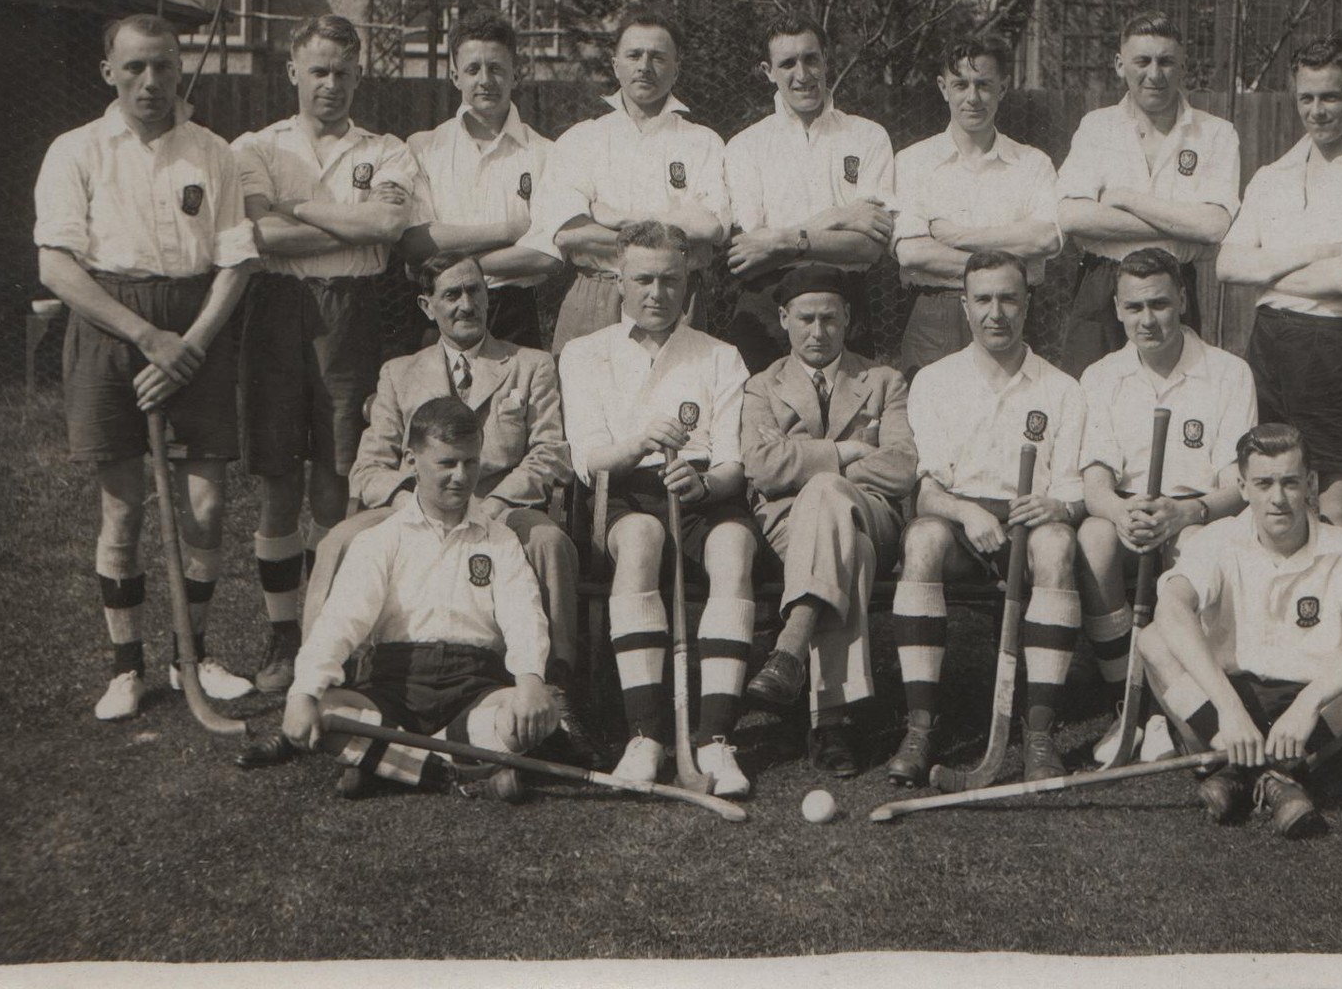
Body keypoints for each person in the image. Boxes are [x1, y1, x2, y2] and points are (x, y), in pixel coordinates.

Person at [34, 14, 259, 718]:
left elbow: (237, 260)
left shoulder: (214, 153)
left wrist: (186, 343)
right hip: (109, 324)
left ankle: (195, 652)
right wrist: (144, 335)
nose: (150, 82)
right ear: (109, 71)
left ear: (180, 69)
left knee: (206, 505)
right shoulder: (75, 151)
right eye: (134, 67)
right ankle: (125, 668)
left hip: (198, 326)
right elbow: (57, 266)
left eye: (163, 66)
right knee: (123, 509)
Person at [298, 252, 587, 753]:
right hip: (415, 501)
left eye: (475, 291)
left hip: (502, 501)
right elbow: (369, 467)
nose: (466, 303)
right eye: (451, 294)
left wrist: (496, 500)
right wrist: (419, 502)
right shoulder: (400, 372)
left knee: (548, 540)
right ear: (426, 305)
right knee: (339, 539)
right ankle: (318, 686)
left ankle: (553, 694)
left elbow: (550, 452)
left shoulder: (528, 364)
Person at [232, 14, 426, 691]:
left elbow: (387, 223)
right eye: (319, 71)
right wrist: (339, 217)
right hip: (279, 311)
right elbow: (261, 235)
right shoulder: (256, 147)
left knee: (339, 478)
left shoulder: (388, 148)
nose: (331, 85)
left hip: (354, 312)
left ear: (359, 75)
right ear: (293, 71)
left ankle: (328, 631)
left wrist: (300, 207)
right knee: (280, 479)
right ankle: (283, 637)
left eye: (344, 72)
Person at [558, 221, 759, 796]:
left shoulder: (720, 355)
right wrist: (642, 441)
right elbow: (589, 459)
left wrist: (706, 488)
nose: (657, 293)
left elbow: (732, 464)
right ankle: (644, 735)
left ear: (688, 280)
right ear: (617, 280)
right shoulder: (584, 353)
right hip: (619, 493)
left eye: (670, 280)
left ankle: (715, 738)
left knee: (735, 544)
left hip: (699, 491)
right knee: (642, 539)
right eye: (643, 279)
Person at [280, 397, 560, 802]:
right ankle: (459, 771)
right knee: (325, 712)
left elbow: (524, 615)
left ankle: (392, 765)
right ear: (412, 460)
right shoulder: (380, 539)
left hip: (473, 683)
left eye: (471, 462)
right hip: (393, 684)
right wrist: (302, 693)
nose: (461, 477)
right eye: (446, 463)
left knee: (531, 713)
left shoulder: (499, 540)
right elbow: (341, 621)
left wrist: (532, 682)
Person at [1136, 423, 1342, 838]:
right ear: (1243, 487)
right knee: (1153, 638)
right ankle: (1276, 778)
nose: (1278, 499)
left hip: (1309, 713)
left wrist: (1309, 704)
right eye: (1264, 484)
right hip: (1225, 705)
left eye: (1290, 483)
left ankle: (1240, 773)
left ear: (1310, 484)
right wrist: (1228, 709)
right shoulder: (1218, 539)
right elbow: (1172, 606)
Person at [887, 251, 1086, 785]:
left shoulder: (1062, 389)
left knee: (1058, 547)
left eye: (1008, 298)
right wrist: (964, 511)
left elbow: (1072, 491)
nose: (995, 313)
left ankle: (1039, 732)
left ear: (1028, 304)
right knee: (923, 540)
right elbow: (928, 491)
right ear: (964, 306)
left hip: (1032, 521)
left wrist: (1056, 506)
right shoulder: (933, 380)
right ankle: (921, 727)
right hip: (960, 522)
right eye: (983, 300)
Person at [1075, 247, 1257, 765]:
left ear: (1182, 299)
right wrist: (1117, 512)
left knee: (1199, 549)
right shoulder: (1101, 376)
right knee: (1093, 539)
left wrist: (1186, 513)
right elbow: (1094, 483)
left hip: (1198, 514)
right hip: (1129, 513)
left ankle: (1167, 704)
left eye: (1158, 304)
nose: (1147, 320)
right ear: (1116, 309)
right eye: (1134, 308)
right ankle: (1126, 705)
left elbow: (1236, 486)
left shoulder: (1229, 372)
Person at [740, 265, 918, 777]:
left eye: (830, 320)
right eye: (806, 319)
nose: (818, 332)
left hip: (873, 515)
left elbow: (903, 467)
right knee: (850, 552)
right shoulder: (761, 386)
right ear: (783, 319)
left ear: (848, 320)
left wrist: (812, 464)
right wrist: (847, 451)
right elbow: (761, 467)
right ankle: (830, 722)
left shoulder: (884, 380)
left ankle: (791, 645)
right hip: (789, 527)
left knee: (824, 491)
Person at [1215, 36, 1342, 534]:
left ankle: (1340, 610)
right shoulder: (1271, 177)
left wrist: (1268, 270)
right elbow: (1227, 265)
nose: (1316, 112)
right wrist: (1308, 255)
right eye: (1306, 98)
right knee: (1269, 504)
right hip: (1269, 344)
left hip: (1335, 349)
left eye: (1330, 97)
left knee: (1338, 516)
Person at [518, 6, 730, 354]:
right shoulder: (581, 139)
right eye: (634, 55)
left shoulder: (703, 141)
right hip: (596, 293)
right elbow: (570, 232)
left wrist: (613, 217)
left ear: (677, 68)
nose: (645, 66)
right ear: (615, 63)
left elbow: (709, 227)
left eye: (658, 57)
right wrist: (670, 228)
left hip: (675, 297)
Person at [1057, 14, 1241, 378]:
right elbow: (1072, 217)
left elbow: (1214, 227)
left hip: (1173, 287)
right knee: (1087, 404)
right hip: (1101, 286)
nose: (1154, 74)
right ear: (1119, 64)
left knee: (1174, 400)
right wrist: (1177, 225)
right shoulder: (1097, 126)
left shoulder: (1216, 133)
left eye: (1166, 61)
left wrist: (1124, 197)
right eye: (1143, 61)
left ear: (1183, 66)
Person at [722, 15, 897, 373]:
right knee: (766, 422)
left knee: (850, 422)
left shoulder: (868, 136)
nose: (802, 74)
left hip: (844, 302)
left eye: (810, 59)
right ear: (767, 70)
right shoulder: (744, 146)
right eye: (787, 63)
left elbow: (870, 245)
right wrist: (839, 217)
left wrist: (782, 240)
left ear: (826, 60)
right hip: (768, 306)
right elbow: (750, 254)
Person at [891, 37, 1061, 377]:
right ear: (943, 88)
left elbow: (1046, 241)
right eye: (960, 85)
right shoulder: (911, 162)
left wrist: (959, 235)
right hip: (935, 316)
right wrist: (1009, 263)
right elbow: (912, 253)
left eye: (984, 85)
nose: (972, 98)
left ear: (1002, 88)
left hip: (1011, 314)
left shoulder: (1032, 163)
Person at [399, 11, 562, 349]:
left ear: (516, 73)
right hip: (443, 310)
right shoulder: (424, 148)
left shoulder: (545, 153)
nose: (485, 79)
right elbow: (416, 245)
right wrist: (509, 231)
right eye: (473, 69)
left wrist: (452, 263)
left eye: (497, 68)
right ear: (455, 75)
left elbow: (548, 255)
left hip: (514, 311)